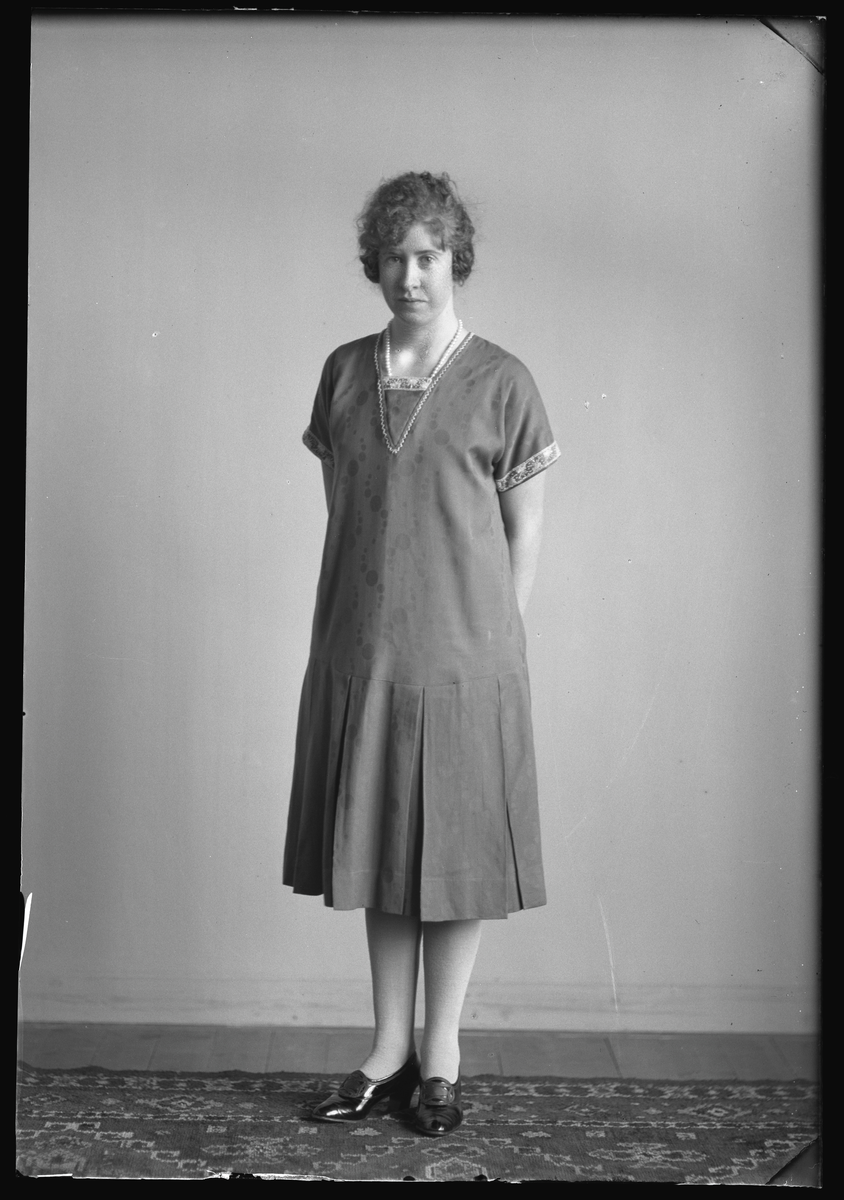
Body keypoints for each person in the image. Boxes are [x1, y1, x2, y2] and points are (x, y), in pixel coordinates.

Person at [283, 171, 559, 1137]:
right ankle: (386, 1051)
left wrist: (494, 635)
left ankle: (441, 1055)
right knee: (380, 853)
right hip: (364, 648)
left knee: (452, 860)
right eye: (396, 257)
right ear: (375, 264)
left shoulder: (504, 382)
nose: (411, 275)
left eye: (429, 257)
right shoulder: (342, 373)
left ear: (456, 262)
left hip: (466, 658)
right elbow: (352, 510)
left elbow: (525, 528)